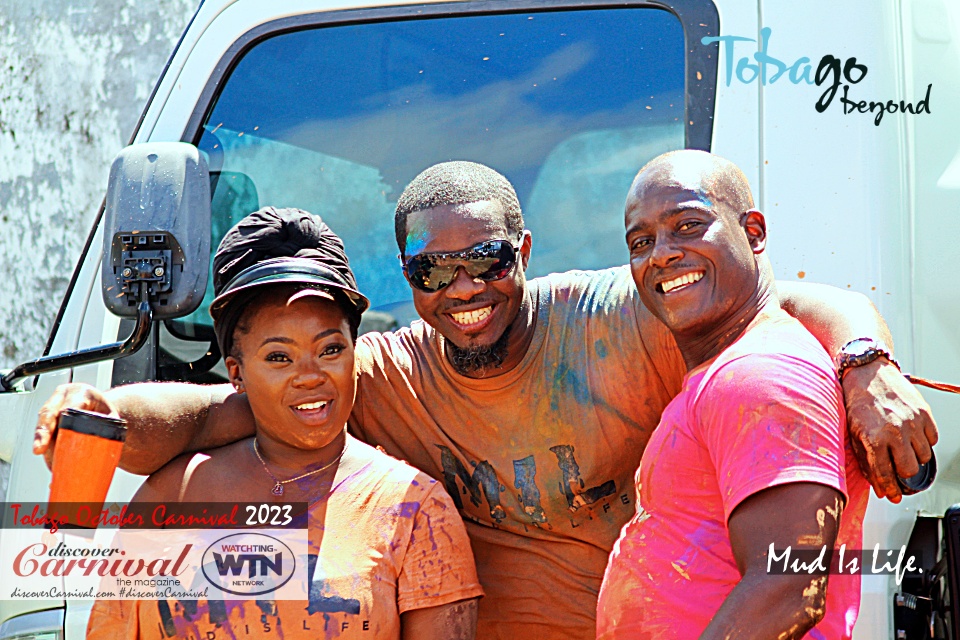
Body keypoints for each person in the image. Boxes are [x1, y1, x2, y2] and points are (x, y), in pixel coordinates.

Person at [37, 165, 935, 639]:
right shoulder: (374, 374)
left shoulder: (616, 318)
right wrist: (95, 418)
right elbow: (219, 413)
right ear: (407, 278)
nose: (463, 286)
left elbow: (776, 310)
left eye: (488, 260)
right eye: (432, 268)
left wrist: (864, 360)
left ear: (526, 251)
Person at [86, 216, 482, 639]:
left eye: (330, 349)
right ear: (236, 372)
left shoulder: (414, 509)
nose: (310, 376)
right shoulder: (171, 496)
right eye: (278, 357)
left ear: (355, 353)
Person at [596, 150, 870, 638]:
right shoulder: (732, 364)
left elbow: (787, 586)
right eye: (641, 242)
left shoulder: (759, 374)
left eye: (687, 225)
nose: (660, 254)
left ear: (754, 233)